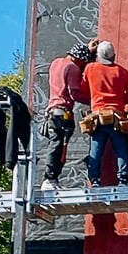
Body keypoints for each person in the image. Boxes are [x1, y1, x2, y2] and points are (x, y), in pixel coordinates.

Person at [39, 41, 94, 192]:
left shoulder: (56, 63)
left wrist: (88, 49)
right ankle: (50, 178)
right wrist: (94, 100)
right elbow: (74, 93)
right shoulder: (73, 68)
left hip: (51, 111)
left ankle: (51, 179)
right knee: (59, 146)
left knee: (55, 144)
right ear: (80, 60)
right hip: (62, 112)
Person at [81, 39, 128, 188]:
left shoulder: (90, 69)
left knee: (96, 150)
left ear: (98, 55)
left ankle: (95, 180)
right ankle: (123, 180)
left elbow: (83, 90)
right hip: (117, 116)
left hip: (98, 116)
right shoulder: (123, 73)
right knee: (121, 149)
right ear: (114, 56)